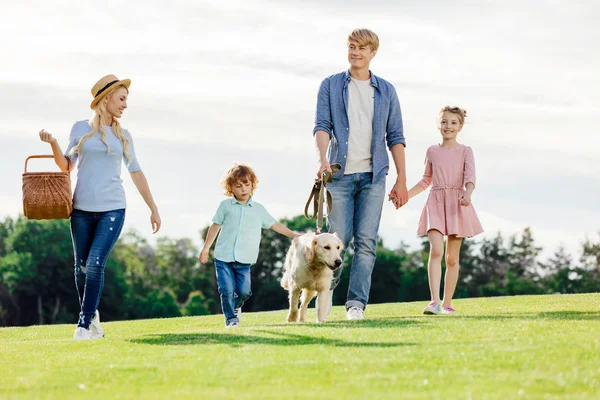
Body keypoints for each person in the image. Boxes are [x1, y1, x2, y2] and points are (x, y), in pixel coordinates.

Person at [39, 74, 161, 339]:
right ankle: (93, 317)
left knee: (95, 264)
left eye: (126, 100)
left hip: (112, 208)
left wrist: (153, 207)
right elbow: (66, 166)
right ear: (106, 99)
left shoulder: (123, 136)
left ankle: (83, 324)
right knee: (80, 268)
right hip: (81, 209)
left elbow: (136, 172)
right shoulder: (80, 129)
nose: (125, 105)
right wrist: (53, 144)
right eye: (121, 99)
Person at [313, 28, 408, 320]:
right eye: (352, 47)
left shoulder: (386, 90)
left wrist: (401, 179)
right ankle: (324, 300)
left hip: (374, 176)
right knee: (334, 243)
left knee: (366, 243)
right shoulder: (330, 85)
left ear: (373, 53)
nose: (356, 52)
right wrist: (322, 160)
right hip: (339, 176)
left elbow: (396, 136)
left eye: (362, 48)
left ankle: (356, 305)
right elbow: (322, 126)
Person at [395, 106, 483, 315]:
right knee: (436, 250)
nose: (448, 126)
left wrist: (467, 194)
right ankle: (434, 301)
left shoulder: (465, 151)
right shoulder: (432, 151)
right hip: (435, 202)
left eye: (453, 123)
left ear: (460, 126)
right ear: (439, 124)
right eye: (444, 122)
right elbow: (426, 180)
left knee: (452, 258)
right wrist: (405, 195)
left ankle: (448, 304)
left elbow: (470, 178)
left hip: (457, 204)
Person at [199, 164, 299, 328]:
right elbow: (215, 226)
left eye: (247, 184)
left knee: (245, 292)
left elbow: (275, 225)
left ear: (253, 185)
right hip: (223, 257)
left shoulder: (258, 210)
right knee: (226, 291)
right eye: (238, 186)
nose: (243, 189)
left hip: (245, 259)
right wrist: (205, 248)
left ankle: (236, 306)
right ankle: (231, 319)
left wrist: (294, 235)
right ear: (231, 187)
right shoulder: (225, 206)